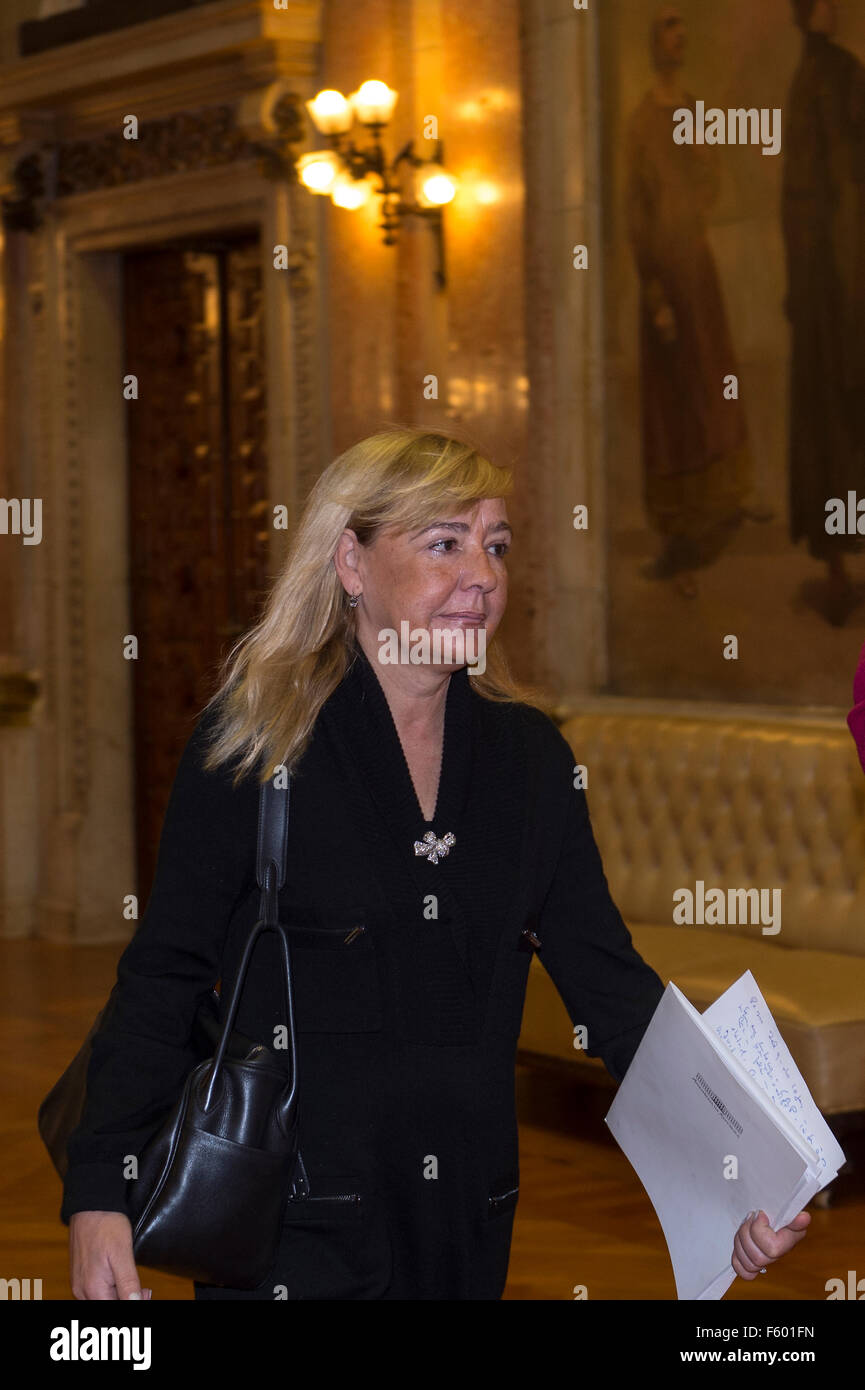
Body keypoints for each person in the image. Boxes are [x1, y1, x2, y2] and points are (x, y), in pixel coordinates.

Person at [64, 426, 809, 1299]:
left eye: (494, 546)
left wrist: (741, 1175)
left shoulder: (530, 762)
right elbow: (164, 975)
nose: (482, 576)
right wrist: (99, 1195)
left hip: (468, 1222)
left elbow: (615, 997)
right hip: (283, 1227)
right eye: (443, 544)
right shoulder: (253, 748)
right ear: (352, 564)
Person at [625, 6, 772, 600]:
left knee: (715, 382)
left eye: (683, 31)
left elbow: (714, 191)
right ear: (655, 43)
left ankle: (725, 506)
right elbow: (636, 213)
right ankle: (678, 537)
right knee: (674, 402)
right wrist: (654, 291)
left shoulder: (695, 113)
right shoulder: (641, 123)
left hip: (699, 273)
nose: (676, 40)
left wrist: (710, 169)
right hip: (665, 279)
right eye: (668, 30)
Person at [783, 0, 865, 625]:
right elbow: (800, 191)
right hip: (824, 280)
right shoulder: (816, 75)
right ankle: (836, 564)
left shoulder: (837, 73)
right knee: (827, 420)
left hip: (844, 273)